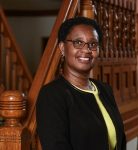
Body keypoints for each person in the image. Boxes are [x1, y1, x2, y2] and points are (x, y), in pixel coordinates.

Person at [36, 16, 126, 150]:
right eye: (78, 42)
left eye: (93, 44)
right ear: (62, 47)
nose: (86, 50)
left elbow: (120, 141)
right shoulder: (52, 95)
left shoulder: (104, 89)